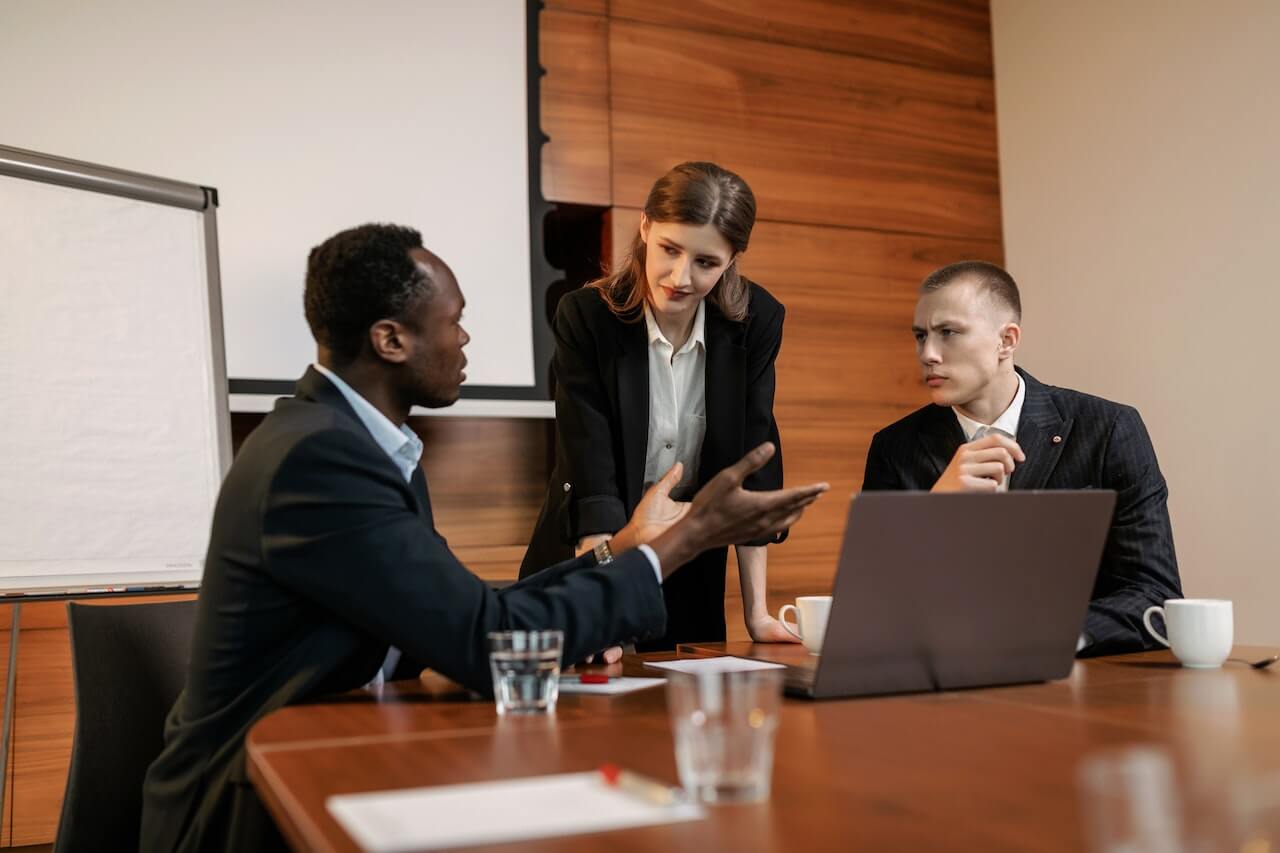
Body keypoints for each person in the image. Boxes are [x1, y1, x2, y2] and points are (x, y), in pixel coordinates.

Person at [139, 224, 827, 852]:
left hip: (331, 752)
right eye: (454, 321)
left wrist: (622, 548)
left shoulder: (353, 443)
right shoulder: (320, 461)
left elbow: (465, 610)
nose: (464, 339)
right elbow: (485, 640)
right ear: (390, 339)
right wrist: (682, 540)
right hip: (247, 806)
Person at [520, 162, 796, 650]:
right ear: (645, 225)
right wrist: (597, 607)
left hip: (688, 561)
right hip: (590, 559)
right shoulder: (586, 317)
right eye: (670, 249)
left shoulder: (757, 322)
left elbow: (752, 460)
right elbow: (590, 471)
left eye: (706, 262)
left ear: (733, 258)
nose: (680, 277)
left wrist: (757, 613)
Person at [861, 260, 1181, 656]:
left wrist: (1048, 636)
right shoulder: (895, 447)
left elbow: (1156, 595)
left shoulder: (1110, 428)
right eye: (920, 335)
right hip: (944, 688)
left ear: (1007, 340)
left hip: (1082, 685)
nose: (928, 353)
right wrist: (936, 514)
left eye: (948, 333)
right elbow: (873, 607)